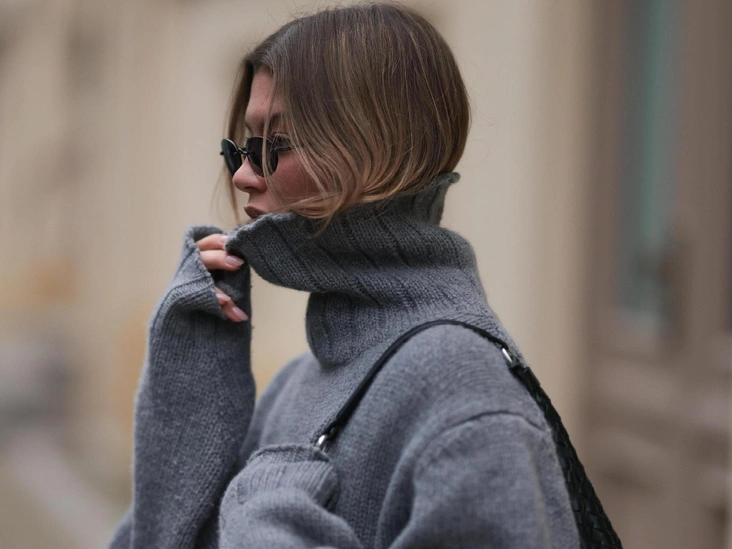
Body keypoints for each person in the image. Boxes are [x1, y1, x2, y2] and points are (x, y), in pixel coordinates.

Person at [108, 2, 580, 548]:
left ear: (380, 150)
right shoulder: (299, 380)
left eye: (274, 146)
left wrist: (267, 512)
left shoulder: (462, 390)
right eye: (242, 148)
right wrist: (191, 368)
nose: (242, 176)